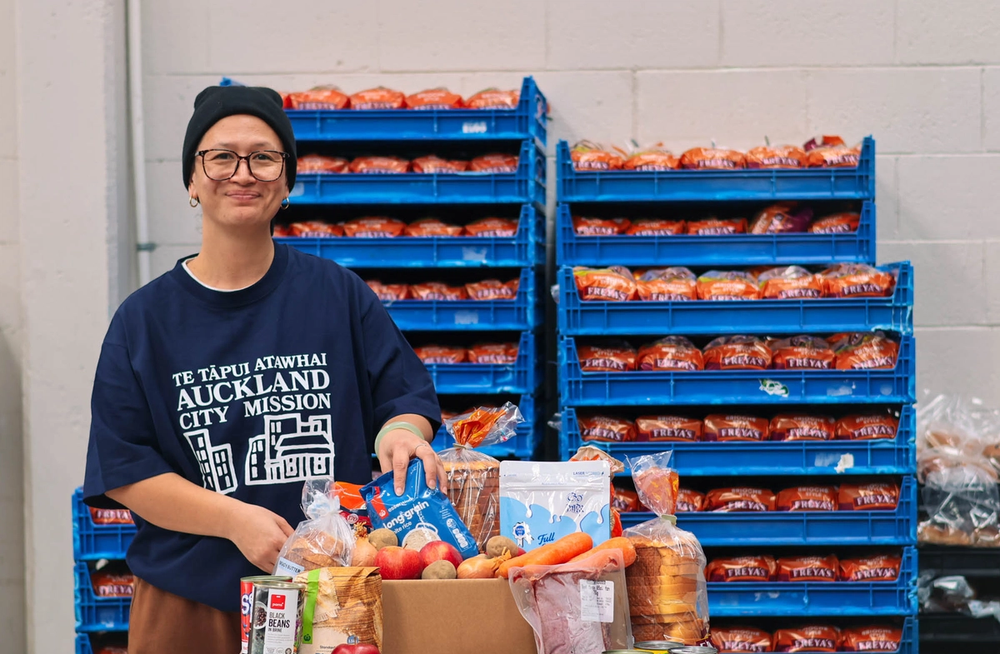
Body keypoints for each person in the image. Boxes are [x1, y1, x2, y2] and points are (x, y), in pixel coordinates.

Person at [82, 85, 443, 654]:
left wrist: (401, 432)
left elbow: (404, 397)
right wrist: (231, 519)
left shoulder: (336, 294)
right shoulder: (144, 320)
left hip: (334, 592)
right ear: (192, 181)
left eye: (264, 156)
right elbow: (125, 469)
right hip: (189, 600)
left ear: (286, 179)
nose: (242, 173)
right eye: (221, 157)